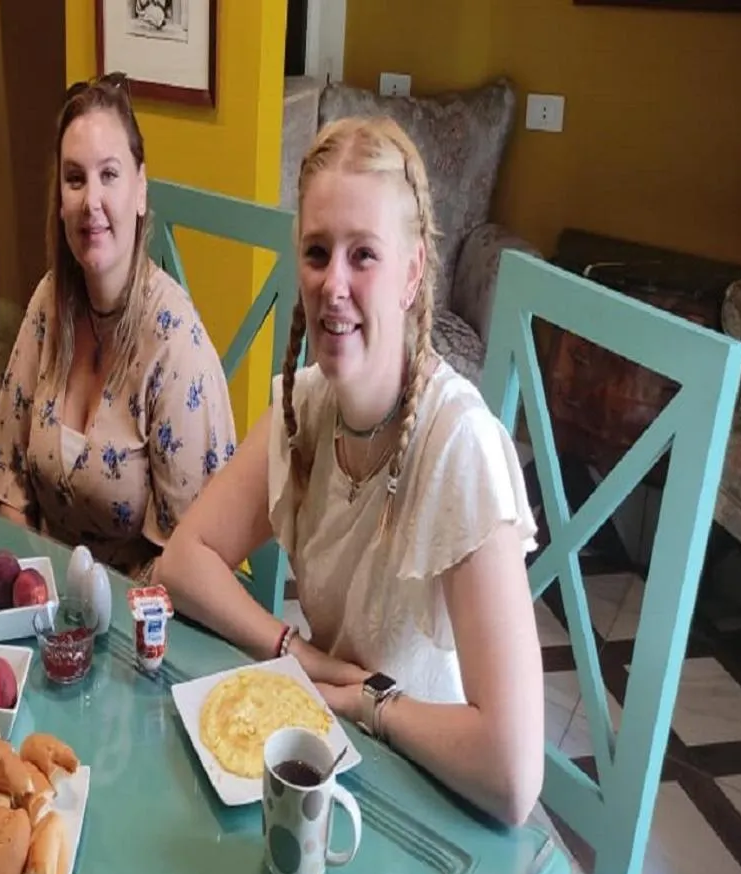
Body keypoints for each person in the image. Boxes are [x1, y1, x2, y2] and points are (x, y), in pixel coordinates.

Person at [156, 116, 545, 827]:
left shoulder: (460, 445)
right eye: (316, 251)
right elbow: (182, 562)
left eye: (363, 254)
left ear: (412, 271)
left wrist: (369, 701)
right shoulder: (304, 408)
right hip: (337, 768)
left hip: (441, 793)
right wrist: (292, 648)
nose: (332, 283)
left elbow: (514, 774)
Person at [0, 72, 238, 583]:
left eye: (110, 175)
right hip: (44, 603)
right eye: (74, 179)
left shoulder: (174, 345)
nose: (90, 201)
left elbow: (188, 563)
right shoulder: (47, 305)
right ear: (59, 199)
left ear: (141, 191)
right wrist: (38, 590)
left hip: (142, 618)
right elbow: (5, 483)